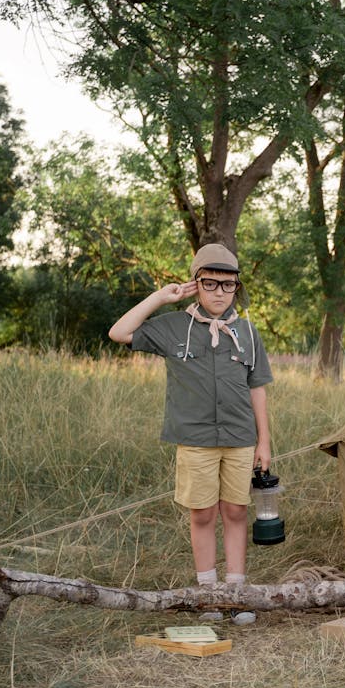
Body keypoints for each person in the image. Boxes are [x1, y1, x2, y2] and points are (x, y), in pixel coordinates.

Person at [108, 243, 272, 617]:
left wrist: (264, 441)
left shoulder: (247, 331)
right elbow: (119, 333)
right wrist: (161, 297)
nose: (219, 292)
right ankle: (209, 594)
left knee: (235, 510)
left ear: (237, 288)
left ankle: (236, 594)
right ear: (195, 284)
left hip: (240, 437)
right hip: (195, 439)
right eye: (209, 284)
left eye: (227, 285)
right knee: (203, 514)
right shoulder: (173, 328)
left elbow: (257, 387)